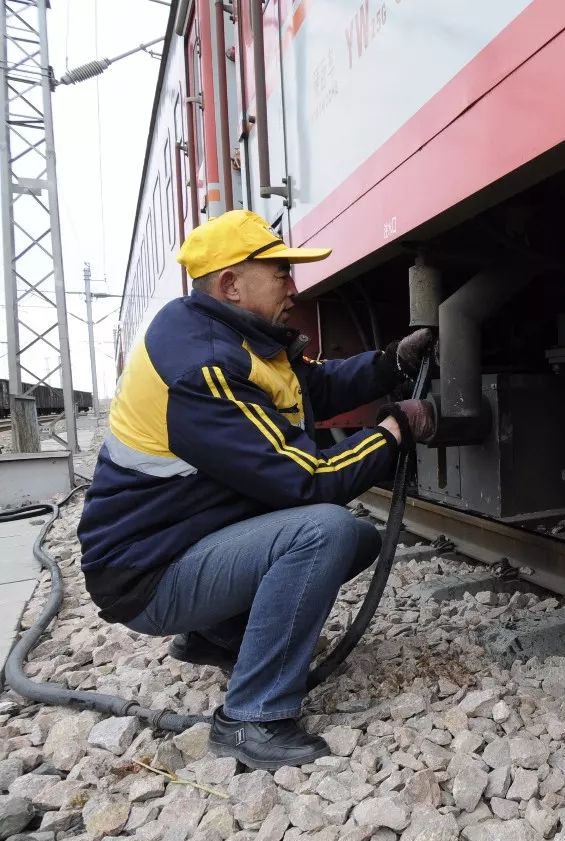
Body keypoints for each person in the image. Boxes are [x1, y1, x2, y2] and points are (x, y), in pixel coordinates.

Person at [77, 210, 434, 769]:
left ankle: (217, 635)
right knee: (324, 532)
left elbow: (311, 387)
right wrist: (394, 430)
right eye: (282, 273)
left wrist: (389, 363)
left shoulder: (235, 337)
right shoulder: (203, 367)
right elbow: (308, 481)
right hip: (145, 574)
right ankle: (252, 718)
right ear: (231, 285)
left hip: (179, 542)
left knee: (359, 539)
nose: (294, 286)